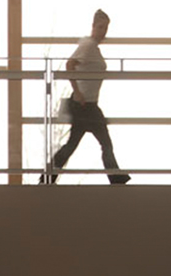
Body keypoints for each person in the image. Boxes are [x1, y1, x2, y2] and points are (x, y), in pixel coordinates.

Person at [42, 9, 130, 184]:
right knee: (103, 142)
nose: (103, 31)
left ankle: (47, 176)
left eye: (105, 28)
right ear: (93, 26)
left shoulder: (93, 48)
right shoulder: (88, 46)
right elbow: (70, 64)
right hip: (85, 105)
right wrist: (78, 91)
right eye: (100, 27)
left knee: (73, 144)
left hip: (88, 104)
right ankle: (116, 177)